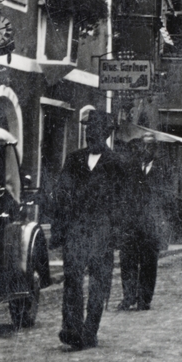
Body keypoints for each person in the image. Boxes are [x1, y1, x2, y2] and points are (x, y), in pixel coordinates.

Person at [50, 110, 123, 349]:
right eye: (88, 129)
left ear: (106, 133)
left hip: (103, 231)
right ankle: (71, 328)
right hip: (76, 230)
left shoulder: (116, 163)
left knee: (98, 284)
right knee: (72, 279)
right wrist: (59, 230)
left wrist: (118, 234)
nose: (90, 134)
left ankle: (90, 331)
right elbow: (61, 195)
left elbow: (123, 202)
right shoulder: (73, 160)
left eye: (96, 130)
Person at [118, 140, 172, 311]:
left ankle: (144, 299)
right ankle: (128, 297)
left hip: (152, 225)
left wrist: (163, 224)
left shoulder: (164, 170)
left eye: (149, 147)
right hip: (130, 225)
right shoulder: (130, 169)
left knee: (149, 263)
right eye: (142, 147)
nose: (144, 150)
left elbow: (168, 199)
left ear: (155, 150)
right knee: (127, 261)